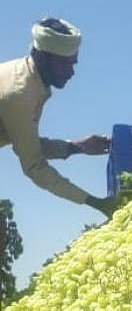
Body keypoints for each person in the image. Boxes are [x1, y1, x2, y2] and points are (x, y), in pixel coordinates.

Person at [0, 17, 116, 216]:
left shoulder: (30, 80)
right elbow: (35, 166)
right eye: (65, 64)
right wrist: (96, 203)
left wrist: (77, 147)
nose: (71, 72)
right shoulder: (20, 92)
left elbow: (29, 146)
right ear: (43, 57)